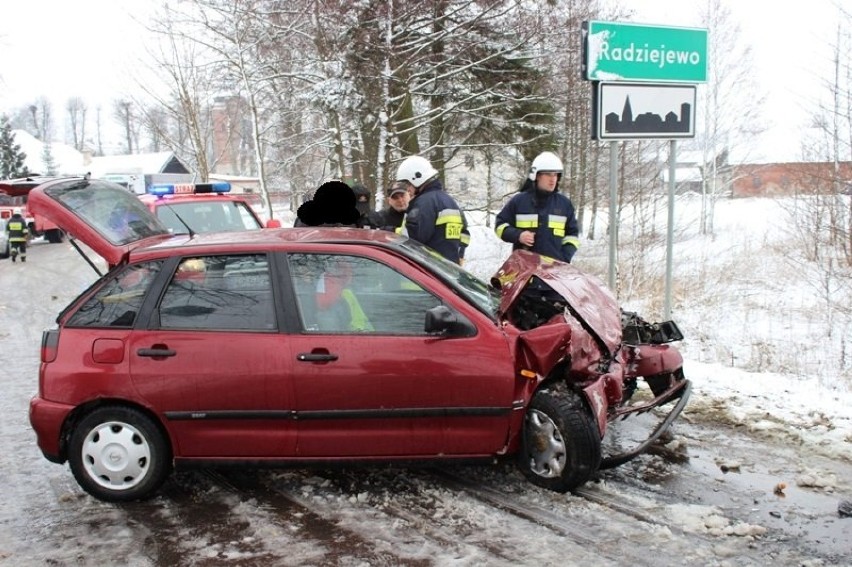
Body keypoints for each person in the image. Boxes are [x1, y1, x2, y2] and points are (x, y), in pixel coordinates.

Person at [495, 151, 580, 263]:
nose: (553, 179)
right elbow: (500, 226)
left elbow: (572, 235)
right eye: (548, 174)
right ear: (537, 176)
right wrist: (519, 235)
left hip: (553, 271)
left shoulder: (564, 204)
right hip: (524, 269)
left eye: (555, 175)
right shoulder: (519, 201)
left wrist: (564, 257)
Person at [395, 155, 470, 264]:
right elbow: (465, 233)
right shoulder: (448, 200)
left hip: (427, 269)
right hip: (448, 270)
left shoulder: (424, 203)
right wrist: (459, 254)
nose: (407, 190)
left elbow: (411, 239)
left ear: (417, 178)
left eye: (408, 184)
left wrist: (390, 232)